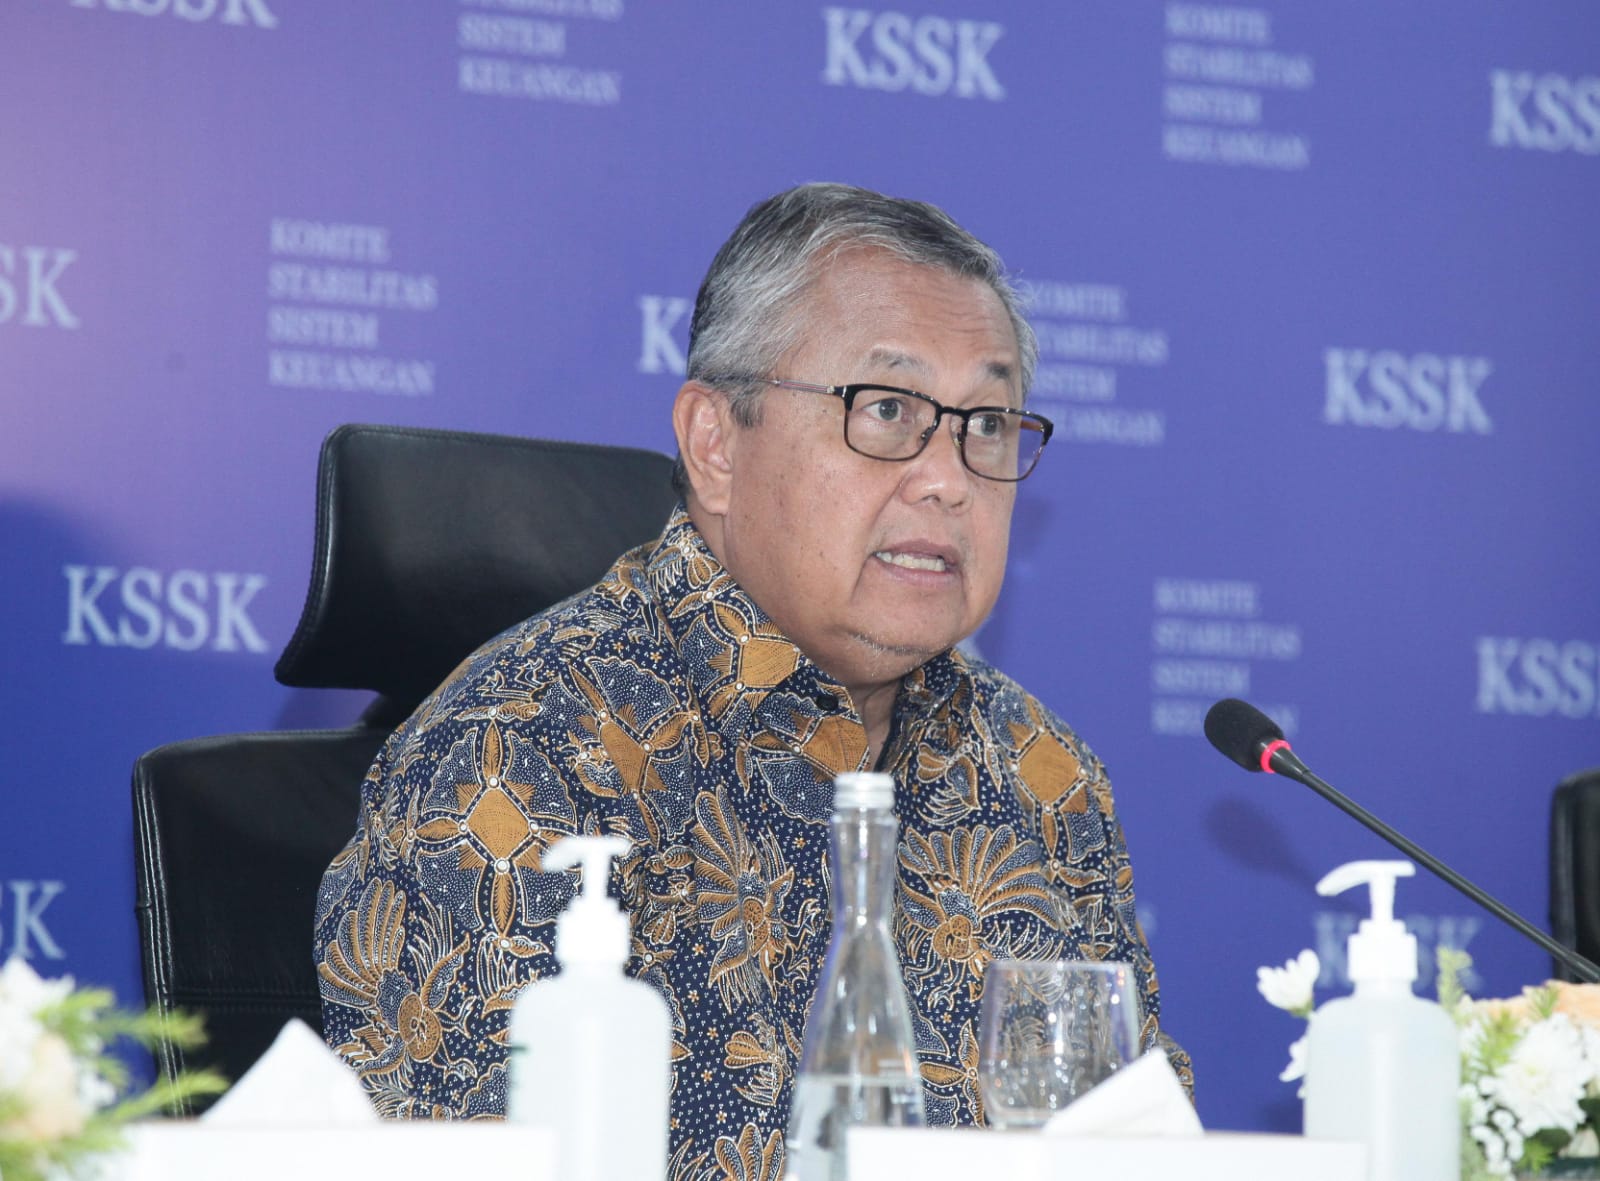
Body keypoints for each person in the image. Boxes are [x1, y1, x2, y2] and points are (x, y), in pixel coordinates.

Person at [312, 182, 1191, 1176]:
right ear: (715, 444)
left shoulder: (1041, 774)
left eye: (986, 423)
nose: (949, 477)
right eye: (888, 409)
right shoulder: (517, 753)